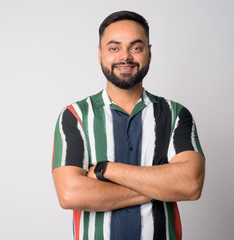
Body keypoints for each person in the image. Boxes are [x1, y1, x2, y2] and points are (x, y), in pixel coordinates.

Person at [52, 11, 205, 240]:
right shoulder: (75, 115)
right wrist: (159, 186)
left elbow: (191, 184)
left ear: (149, 53)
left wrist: (106, 170)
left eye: (136, 47)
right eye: (114, 48)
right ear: (100, 53)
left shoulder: (176, 114)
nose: (125, 57)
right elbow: (70, 194)